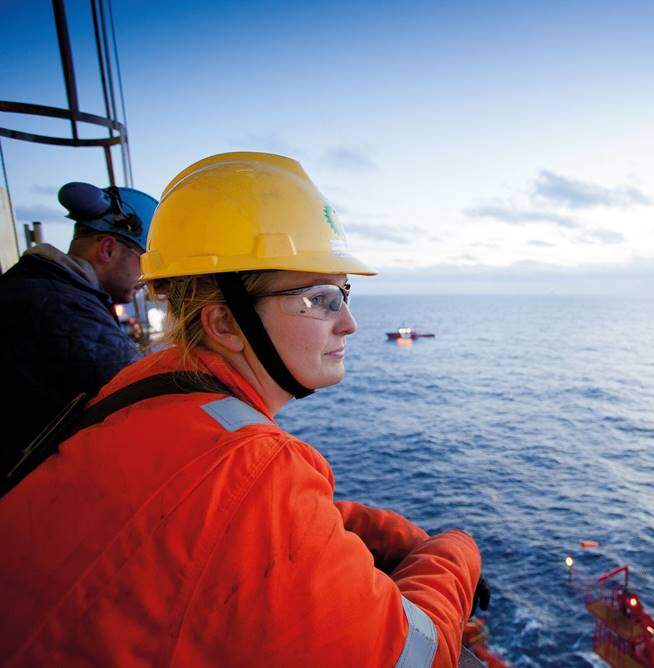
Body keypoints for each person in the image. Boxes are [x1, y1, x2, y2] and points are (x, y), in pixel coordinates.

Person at [0, 152, 481, 667]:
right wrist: (455, 552)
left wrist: (366, 530)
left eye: (344, 292)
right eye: (319, 298)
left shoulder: (143, 390)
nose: (349, 322)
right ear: (225, 323)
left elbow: (208, 514)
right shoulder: (256, 464)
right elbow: (407, 654)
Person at [0, 182, 157, 454]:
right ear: (107, 249)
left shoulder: (37, 285)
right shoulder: (62, 308)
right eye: (145, 263)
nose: (147, 279)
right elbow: (147, 395)